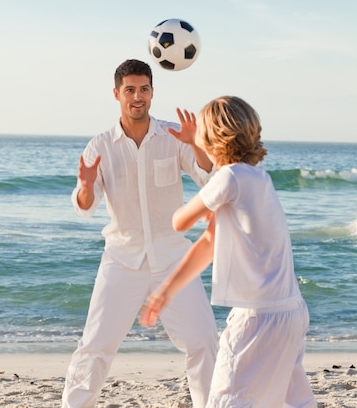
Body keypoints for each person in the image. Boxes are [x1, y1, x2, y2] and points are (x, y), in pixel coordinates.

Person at [140, 96, 316, 407]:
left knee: (228, 399)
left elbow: (179, 222)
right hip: (291, 310)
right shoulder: (260, 179)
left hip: (256, 317)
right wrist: (167, 289)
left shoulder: (229, 178)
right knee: (291, 400)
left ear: (212, 138)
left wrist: (203, 195)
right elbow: (209, 243)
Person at [62, 59, 218, 408]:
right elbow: (85, 206)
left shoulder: (174, 137)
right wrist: (86, 185)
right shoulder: (99, 146)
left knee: (203, 342)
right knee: (95, 347)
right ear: (116, 94)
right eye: (130, 90)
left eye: (143, 89)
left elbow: (208, 178)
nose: (137, 97)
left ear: (152, 92)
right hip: (121, 261)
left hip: (173, 260)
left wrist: (195, 144)